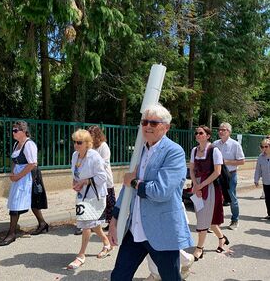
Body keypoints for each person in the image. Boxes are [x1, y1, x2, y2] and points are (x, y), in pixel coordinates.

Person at [109, 104, 193, 281]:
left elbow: (161, 191)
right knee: (119, 276)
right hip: (135, 230)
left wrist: (133, 181)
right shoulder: (140, 150)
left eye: (154, 123)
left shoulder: (174, 152)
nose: (147, 126)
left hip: (162, 231)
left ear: (166, 127)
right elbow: (126, 190)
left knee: (171, 278)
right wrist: (115, 218)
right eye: (144, 122)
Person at [67, 129, 112, 269]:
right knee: (93, 224)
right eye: (74, 142)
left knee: (86, 223)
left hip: (95, 195)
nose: (76, 145)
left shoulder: (95, 157)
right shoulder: (75, 155)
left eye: (79, 142)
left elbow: (102, 177)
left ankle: (81, 255)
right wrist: (75, 182)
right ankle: (107, 243)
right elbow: (75, 173)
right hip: (82, 194)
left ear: (87, 144)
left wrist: (85, 182)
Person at [0, 121, 48, 246]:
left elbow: (32, 164)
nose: (13, 133)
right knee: (32, 202)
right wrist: (12, 173)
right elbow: (15, 161)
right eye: (13, 130)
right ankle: (42, 224)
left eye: (16, 130)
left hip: (29, 177)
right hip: (19, 177)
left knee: (16, 203)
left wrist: (18, 176)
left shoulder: (29, 145)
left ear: (23, 131)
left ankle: (11, 234)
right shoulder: (17, 144)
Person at [189, 125, 229, 261]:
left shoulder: (214, 150)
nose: (198, 135)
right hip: (197, 186)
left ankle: (199, 248)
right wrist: (195, 185)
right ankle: (222, 238)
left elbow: (217, 172)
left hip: (210, 186)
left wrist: (201, 185)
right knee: (209, 220)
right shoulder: (194, 150)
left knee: (202, 218)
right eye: (196, 133)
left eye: (201, 133)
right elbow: (192, 170)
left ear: (208, 135)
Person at [213, 122, 245, 230]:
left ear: (229, 132)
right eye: (219, 130)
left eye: (224, 130)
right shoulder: (215, 144)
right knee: (217, 197)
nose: (221, 131)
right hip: (218, 174)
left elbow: (242, 161)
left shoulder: (235, 144)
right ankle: (217, 221)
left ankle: (235, 220)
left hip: (231, 175)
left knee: (231, 197)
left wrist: (226, 162)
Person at [88, 125, 116, 231]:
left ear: (97, 135)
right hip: (94, 179)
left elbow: (105, 162)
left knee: (110, 203)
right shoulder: (90, 146)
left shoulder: (103, 146)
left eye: (92, 135)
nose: (90, 137)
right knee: (95, 202)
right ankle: (94, 224)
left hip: (105, 179)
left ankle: (112, 223)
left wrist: (93, 166)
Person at [254, 138, 270, 220]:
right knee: (267, 199)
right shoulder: (261, 157)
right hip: (266, 181)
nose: (264, 148)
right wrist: (256, 179)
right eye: (262, 146)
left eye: (266, 146)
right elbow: (258, 169)